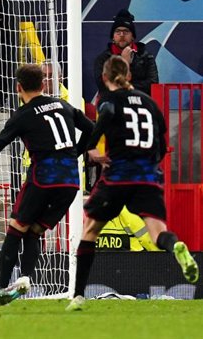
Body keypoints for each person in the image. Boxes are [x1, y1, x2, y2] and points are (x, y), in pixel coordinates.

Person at [66, 56, 199, 311]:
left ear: (105, 78)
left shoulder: (109, 101)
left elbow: (96, 130)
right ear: (129, 75)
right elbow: (161, 146)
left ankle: (79, 295)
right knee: (158, 232)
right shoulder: (150, 104)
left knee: (90, 231)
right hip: (147, 177)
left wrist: (90, 151)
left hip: (118, 175)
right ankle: (177, 246)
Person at [0, 64, 94, 306]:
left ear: (18, 87)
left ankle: (2, 287)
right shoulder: (64, 105)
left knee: (16, 229)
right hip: (70, 182)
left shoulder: (23, 115)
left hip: (43, 178)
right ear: (44, 84)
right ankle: (25, 278)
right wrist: (75, 154)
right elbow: (93, 128)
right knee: (34, 231)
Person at [93, 9, 158, 98]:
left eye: (126, 31)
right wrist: (124, 63)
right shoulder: (103, 59)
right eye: (118, 31)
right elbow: (104, 87)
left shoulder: (146, 56)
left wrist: (122, 85)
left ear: (132, 36)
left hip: (141, 103)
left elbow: (152, 84)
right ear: (113, 37)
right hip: (113, 103)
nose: (122, 35)